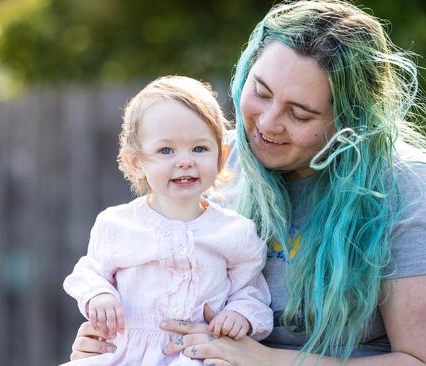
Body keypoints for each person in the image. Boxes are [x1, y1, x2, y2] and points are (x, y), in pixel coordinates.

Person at [67, 1, 426, 365]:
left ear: (351, 122)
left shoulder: (406, 189)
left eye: (300, 114)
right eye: (260, 92)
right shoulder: (214, 164)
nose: (267, 124)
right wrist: (110, 344)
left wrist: (266, 361)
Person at [61, 75, 273, 365]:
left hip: (194, 355)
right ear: (137, 162)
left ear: (221, 157)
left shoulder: (234, 232)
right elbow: (88, 272)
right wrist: (99, 295)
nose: (185, 161)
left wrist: (240, 315)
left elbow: (252, 292)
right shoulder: (118, 224)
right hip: (126, 353)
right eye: (166, 150)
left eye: (199, 149)